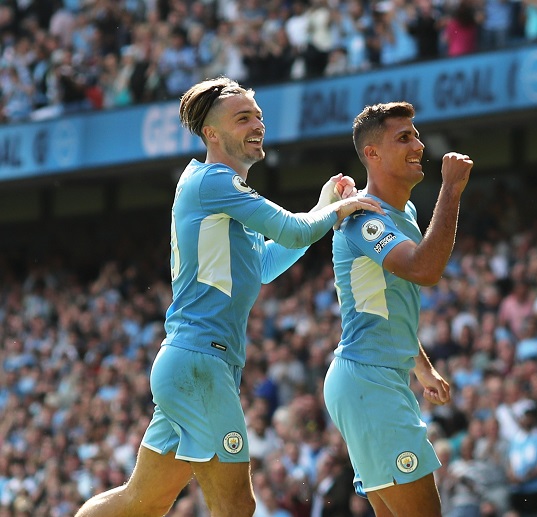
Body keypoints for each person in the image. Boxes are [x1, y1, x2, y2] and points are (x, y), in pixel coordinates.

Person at [74, 76, 383, 517]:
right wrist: (337, 209)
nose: (257, 124)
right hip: (200, 363)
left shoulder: (216, 190)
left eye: (258, 115)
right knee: (236, 505)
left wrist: (321, 208)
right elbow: (292, 230)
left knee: (141, 502)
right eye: (243, 118)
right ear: (211, 134)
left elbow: (265, 265)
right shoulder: (214, 182)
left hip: (190, 363)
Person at [323, 101, 473, 516]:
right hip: (367, 383)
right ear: (372, 154)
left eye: (416, 135)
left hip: (374, 380)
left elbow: (391, 302)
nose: (418, 145)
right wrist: (451, 189)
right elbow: (424, 269)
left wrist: (420, 366)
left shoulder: (402, 210)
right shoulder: (362, 217)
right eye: (403, 137)